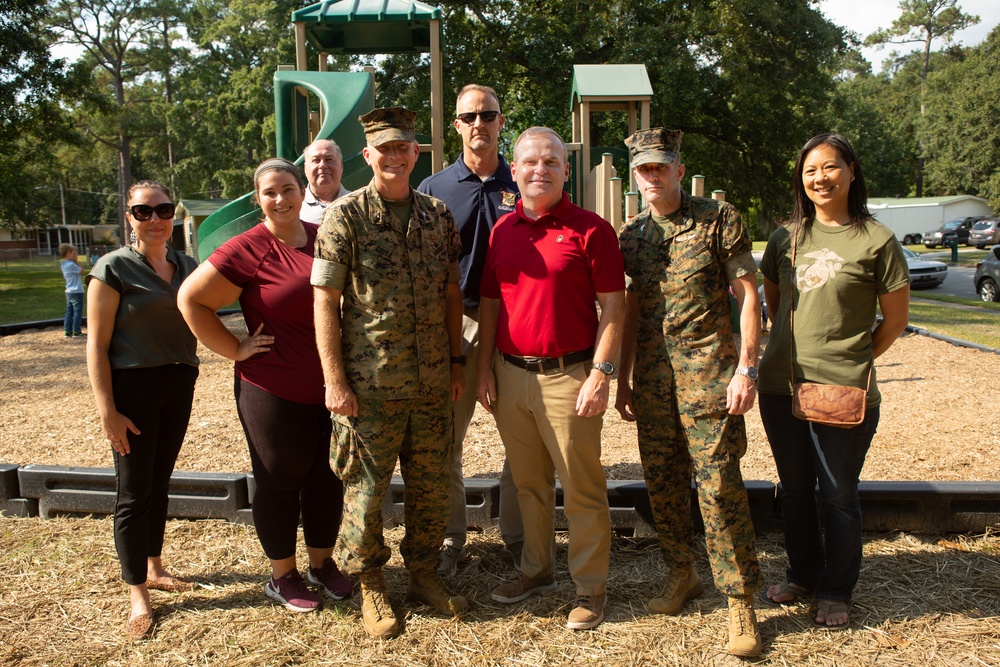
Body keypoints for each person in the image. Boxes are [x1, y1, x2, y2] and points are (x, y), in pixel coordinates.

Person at [311, 107, 468, 639]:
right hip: (369, 387)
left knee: (429, 488)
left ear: (416, 154)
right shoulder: (345, 217)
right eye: (385, 149)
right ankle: (371, 584)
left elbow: (451, 292)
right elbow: (325, 302)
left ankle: (423, 574)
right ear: (368, 155)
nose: (395, 157)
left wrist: (454, 361)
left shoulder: (438, 216)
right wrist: (334, 380)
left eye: (404, 148)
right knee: (366, 491)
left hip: (428, 385)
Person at [178, 158, 352, 614]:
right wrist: (235, 348)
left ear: (303, 191)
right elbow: (191, 299)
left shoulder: (322, 240)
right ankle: (282, 576)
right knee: (279, 482)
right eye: (270, 192)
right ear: (258, 200)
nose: (281, 199)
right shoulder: (247, 248)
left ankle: (322, 566)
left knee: (325, 479)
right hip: (271, 388)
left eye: (288, 189)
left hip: (329, 388)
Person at [615, 128, 764, 658]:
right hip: (655, 384)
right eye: (643, 170)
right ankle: (683, 572)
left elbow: (749, 296)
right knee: (663, 484)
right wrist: (625, 378)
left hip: (710, 381)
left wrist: (747, 369)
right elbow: (630, 310)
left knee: (719, 487)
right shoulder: (630, 237)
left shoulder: (718, 220)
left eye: (660, 167)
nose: (652, 177)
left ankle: (740, 598)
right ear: (634, 176)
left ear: (679, 168)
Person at [756, 133, 909, 630]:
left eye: (829, 167)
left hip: (843, 390)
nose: (819, 178)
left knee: (838, 493)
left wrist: (850, 357)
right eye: (809, 170)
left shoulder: (877, 240)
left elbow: (894, 321)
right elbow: (776, 306)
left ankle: (837, 589)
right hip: (781, 386)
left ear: (851, 172)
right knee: (795, 489)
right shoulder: (786, 237)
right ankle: (802, 574)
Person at [477, 126, 625, 631]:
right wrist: (484, 372)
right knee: (528, 485)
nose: (540, 170)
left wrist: (602, 373)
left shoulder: (591, 229)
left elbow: (613, 306)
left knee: (581, 488)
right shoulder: (502, 231)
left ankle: (589, 588)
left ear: (566, 170)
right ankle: (536, 570)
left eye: (551, 162)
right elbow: (492, 304)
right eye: (530, 163)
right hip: (511, 375)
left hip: (571, 376)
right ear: (513, 171)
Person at [417, 84, 524, 576]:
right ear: (455, 125)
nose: (479, 123)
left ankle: (520, 537)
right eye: (469, 116)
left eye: (488, 114)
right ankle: (450, 539)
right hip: (454, 325)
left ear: (502, 121)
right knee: (445, 440)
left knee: (525, 436)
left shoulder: (527, 182)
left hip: (515, 321)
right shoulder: (434, 190)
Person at [85, 181, 200, 640]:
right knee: (133, 492)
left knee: (159, 481)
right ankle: (138, 595)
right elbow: (95, 344)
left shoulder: (187, 264)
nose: (155, 218)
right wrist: (106, 410)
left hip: (179, 381)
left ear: (174, 214)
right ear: (129, 216)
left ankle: (155, 566)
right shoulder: (111, 268)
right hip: (132, 387)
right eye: (143, 211)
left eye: (163, 209)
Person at [300, 139, 351, 223]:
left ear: (341, 166)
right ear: (305, 168)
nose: (322, 165)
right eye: (316, 160)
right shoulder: (293, 206)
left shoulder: (358, 204)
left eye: (329, 159)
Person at [59, 242, 85, 337]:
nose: (75, 255)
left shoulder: (63, 264)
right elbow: (82, 270)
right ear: (67, 253)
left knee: (69, 311)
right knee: (77, 311)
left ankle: (67, 330)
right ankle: (76, 331)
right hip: (77, 290)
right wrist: (77, 261)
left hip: (69, 291)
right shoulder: (71, 265)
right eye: (73, 253)